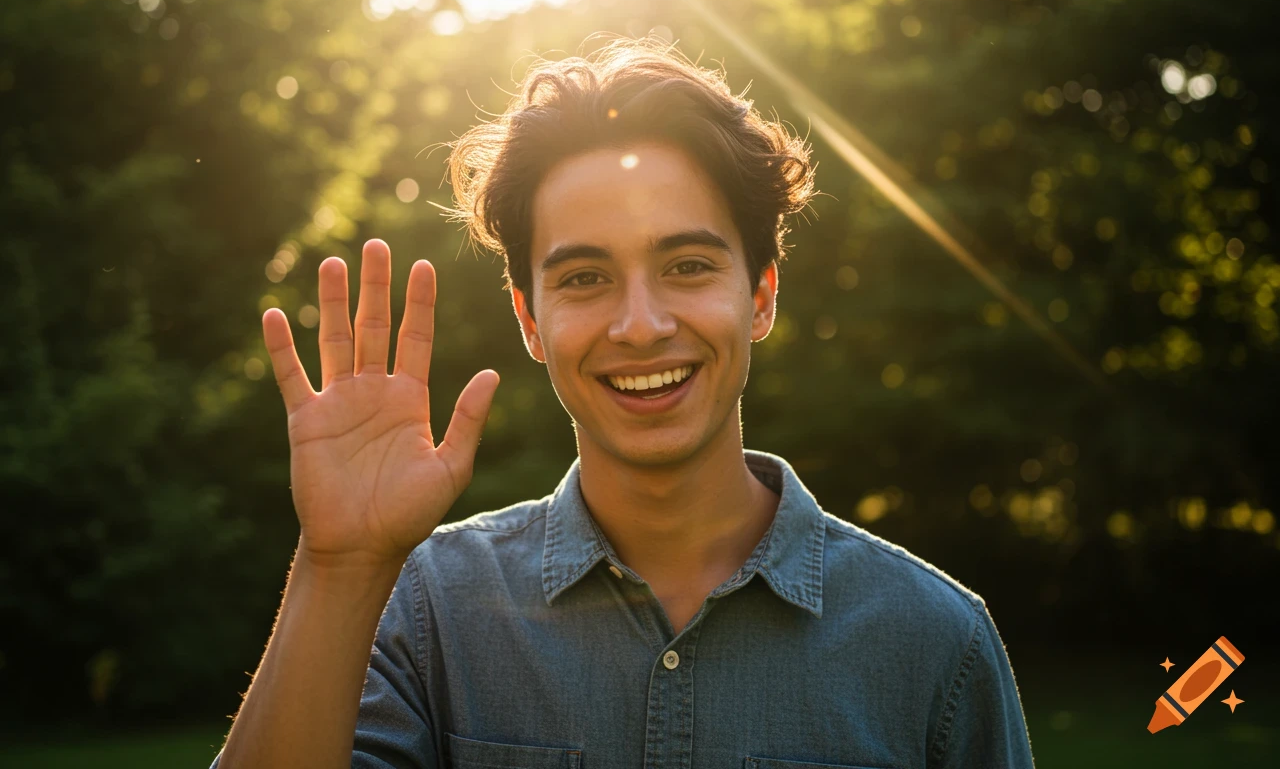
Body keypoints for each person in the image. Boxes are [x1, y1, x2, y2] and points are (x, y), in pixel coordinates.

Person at [210, 38, 1036, 769]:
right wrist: (340, 568)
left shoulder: (936, 643)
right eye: (584, 279)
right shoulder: (433, 611)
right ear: (531, 320)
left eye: (687, 267)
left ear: (761, 296)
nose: (641, 326)